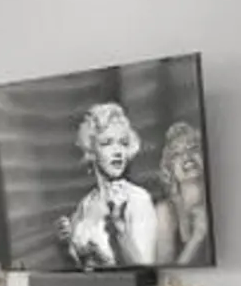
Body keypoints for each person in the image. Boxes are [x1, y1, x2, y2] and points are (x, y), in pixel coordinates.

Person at [60, 99, 174, 269]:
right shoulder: (87, 203)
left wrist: (119, 229)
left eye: (123, 143)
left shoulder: (138, 199)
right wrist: (67, 241)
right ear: (92, 150)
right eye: (107, 143)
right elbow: (78, 269)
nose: (118, 152)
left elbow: (144, 269)